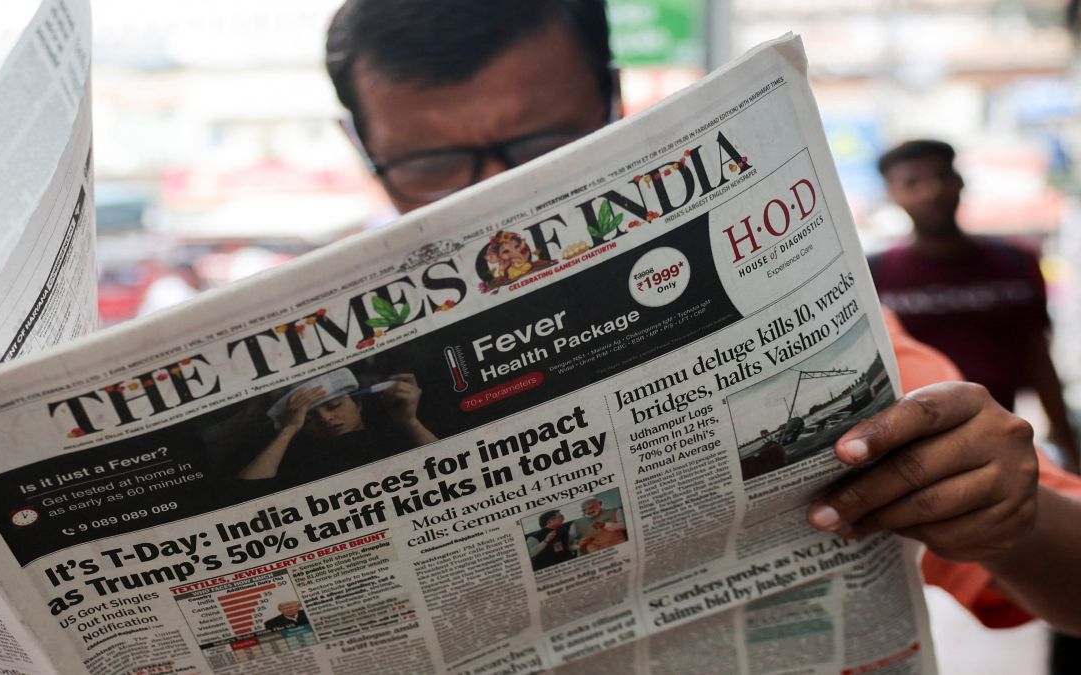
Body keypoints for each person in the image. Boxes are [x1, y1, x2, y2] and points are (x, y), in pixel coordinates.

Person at [325, 0, 1081, 637]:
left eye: (541, 146)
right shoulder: (327, 359)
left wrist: (1008, 514)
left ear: (611, 102)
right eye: (428, 165)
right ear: (361, 147)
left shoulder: (777, 308)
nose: (493, 206)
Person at [870, 139, 1078, 472]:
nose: (932, 191)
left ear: (960, 181)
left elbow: (1039, 358)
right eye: (913, 182)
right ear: (892, 193)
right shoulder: (874, 274)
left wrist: (1069, 449)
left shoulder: (1016, 262)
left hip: (1003, 446)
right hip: (914, 455)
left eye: (942, 176)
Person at [237, 369, 437, 486]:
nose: (325, 419)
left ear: (358, 404)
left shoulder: (394, 435)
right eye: (308, 418)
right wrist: (289, 429)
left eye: (334, 406)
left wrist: (410, 421)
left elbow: (448, 467)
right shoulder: (299, 463)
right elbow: (249, 492)